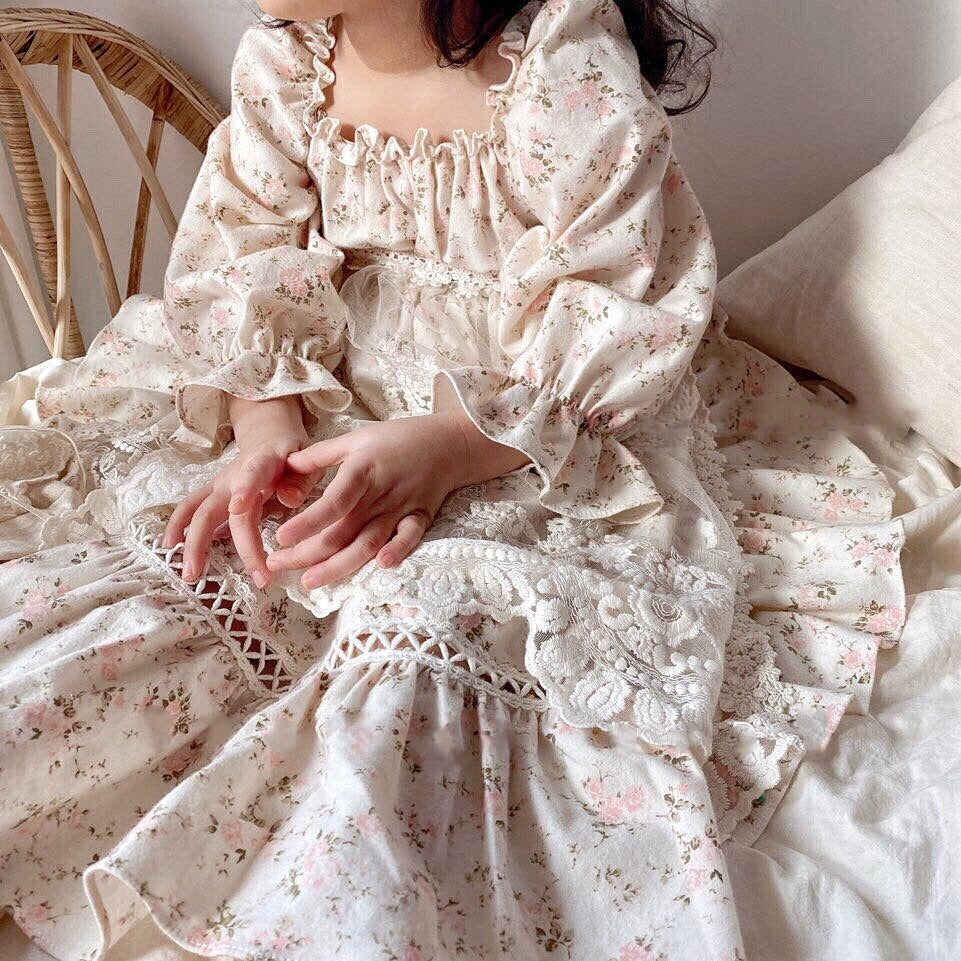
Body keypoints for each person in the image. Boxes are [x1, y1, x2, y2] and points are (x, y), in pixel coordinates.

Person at [0, 2, 905, 958]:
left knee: (428, 630)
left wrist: (449, 447)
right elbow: (245, 263)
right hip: (335, 405)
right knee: (200, 568)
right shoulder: (287, 62)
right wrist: (263, 428)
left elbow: (615, 300)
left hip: (525, 440)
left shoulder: (560, 63)